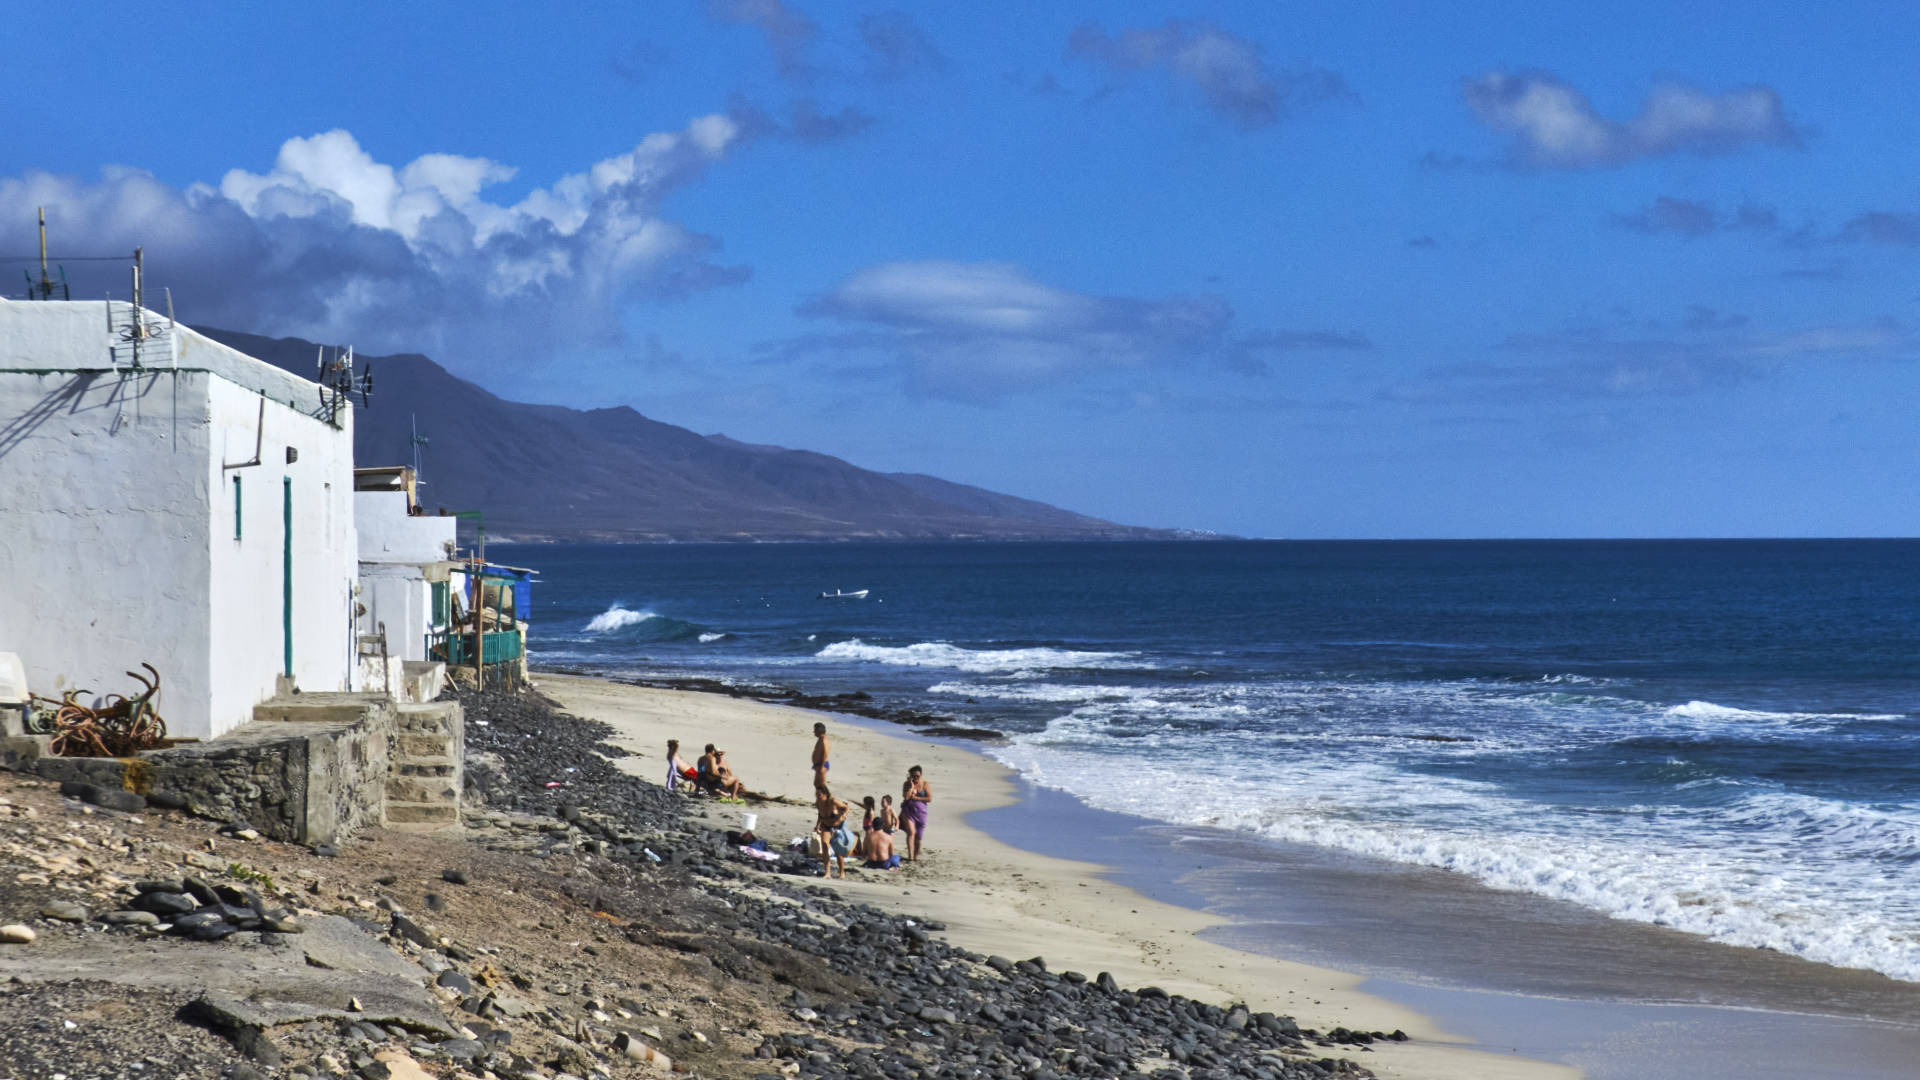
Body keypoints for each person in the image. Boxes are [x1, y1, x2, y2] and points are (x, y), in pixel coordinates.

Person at [814, 786, 854, 879]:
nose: (817, 797)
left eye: (819, 795)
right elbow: (820, 815)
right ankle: (827, 872)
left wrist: (843, 816)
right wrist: (817, 825)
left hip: (837, 826)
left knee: (837, 849)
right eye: (816, 795)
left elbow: (846, 807)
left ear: (825, 794)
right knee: (824, 844)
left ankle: (842, 872)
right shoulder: (818, 803)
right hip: (825, 826)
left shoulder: (833, 801)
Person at [900, 765, 931, 862]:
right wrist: (911, 786)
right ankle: (910, 857)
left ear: (921, 775)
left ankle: (915, 856)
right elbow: (906, 797)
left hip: (921, 813)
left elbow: (929, 798)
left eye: (917, 776)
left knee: (918, 838)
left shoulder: (925, 784)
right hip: (908, 812)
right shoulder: (906, 784)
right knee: (911, 833)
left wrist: (917, 798)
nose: (915, 778)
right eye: (913, 776)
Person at [811, 721, 831, 792]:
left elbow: (825, 753)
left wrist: (822, 766)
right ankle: (819, 801)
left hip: (822, 765)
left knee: (822, 785)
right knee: (816, 784)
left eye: (815, 730)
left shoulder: (824, 740)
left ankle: (826, 801)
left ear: (819, 730)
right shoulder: (820, 739)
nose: (814, 732)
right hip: (819, 764)